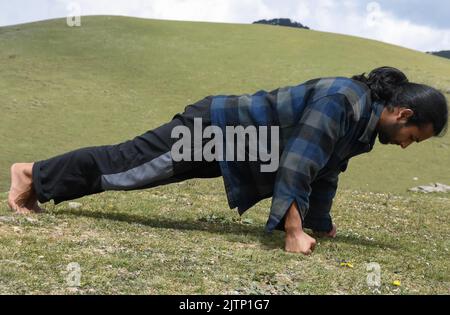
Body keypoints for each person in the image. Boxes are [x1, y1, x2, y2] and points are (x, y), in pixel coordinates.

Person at [7, 67, 448, 255]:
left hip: (242, 145)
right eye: (414, 136)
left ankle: (39, 177)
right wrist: (292, 233)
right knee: (129, 167)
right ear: (404, 114)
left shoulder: (364, 124)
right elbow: (298, 162)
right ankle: (33, 173)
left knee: (131, 170)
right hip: (217, 128)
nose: (408, 145)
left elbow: (326, 171)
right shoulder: (344, 101)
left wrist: (320, 221)